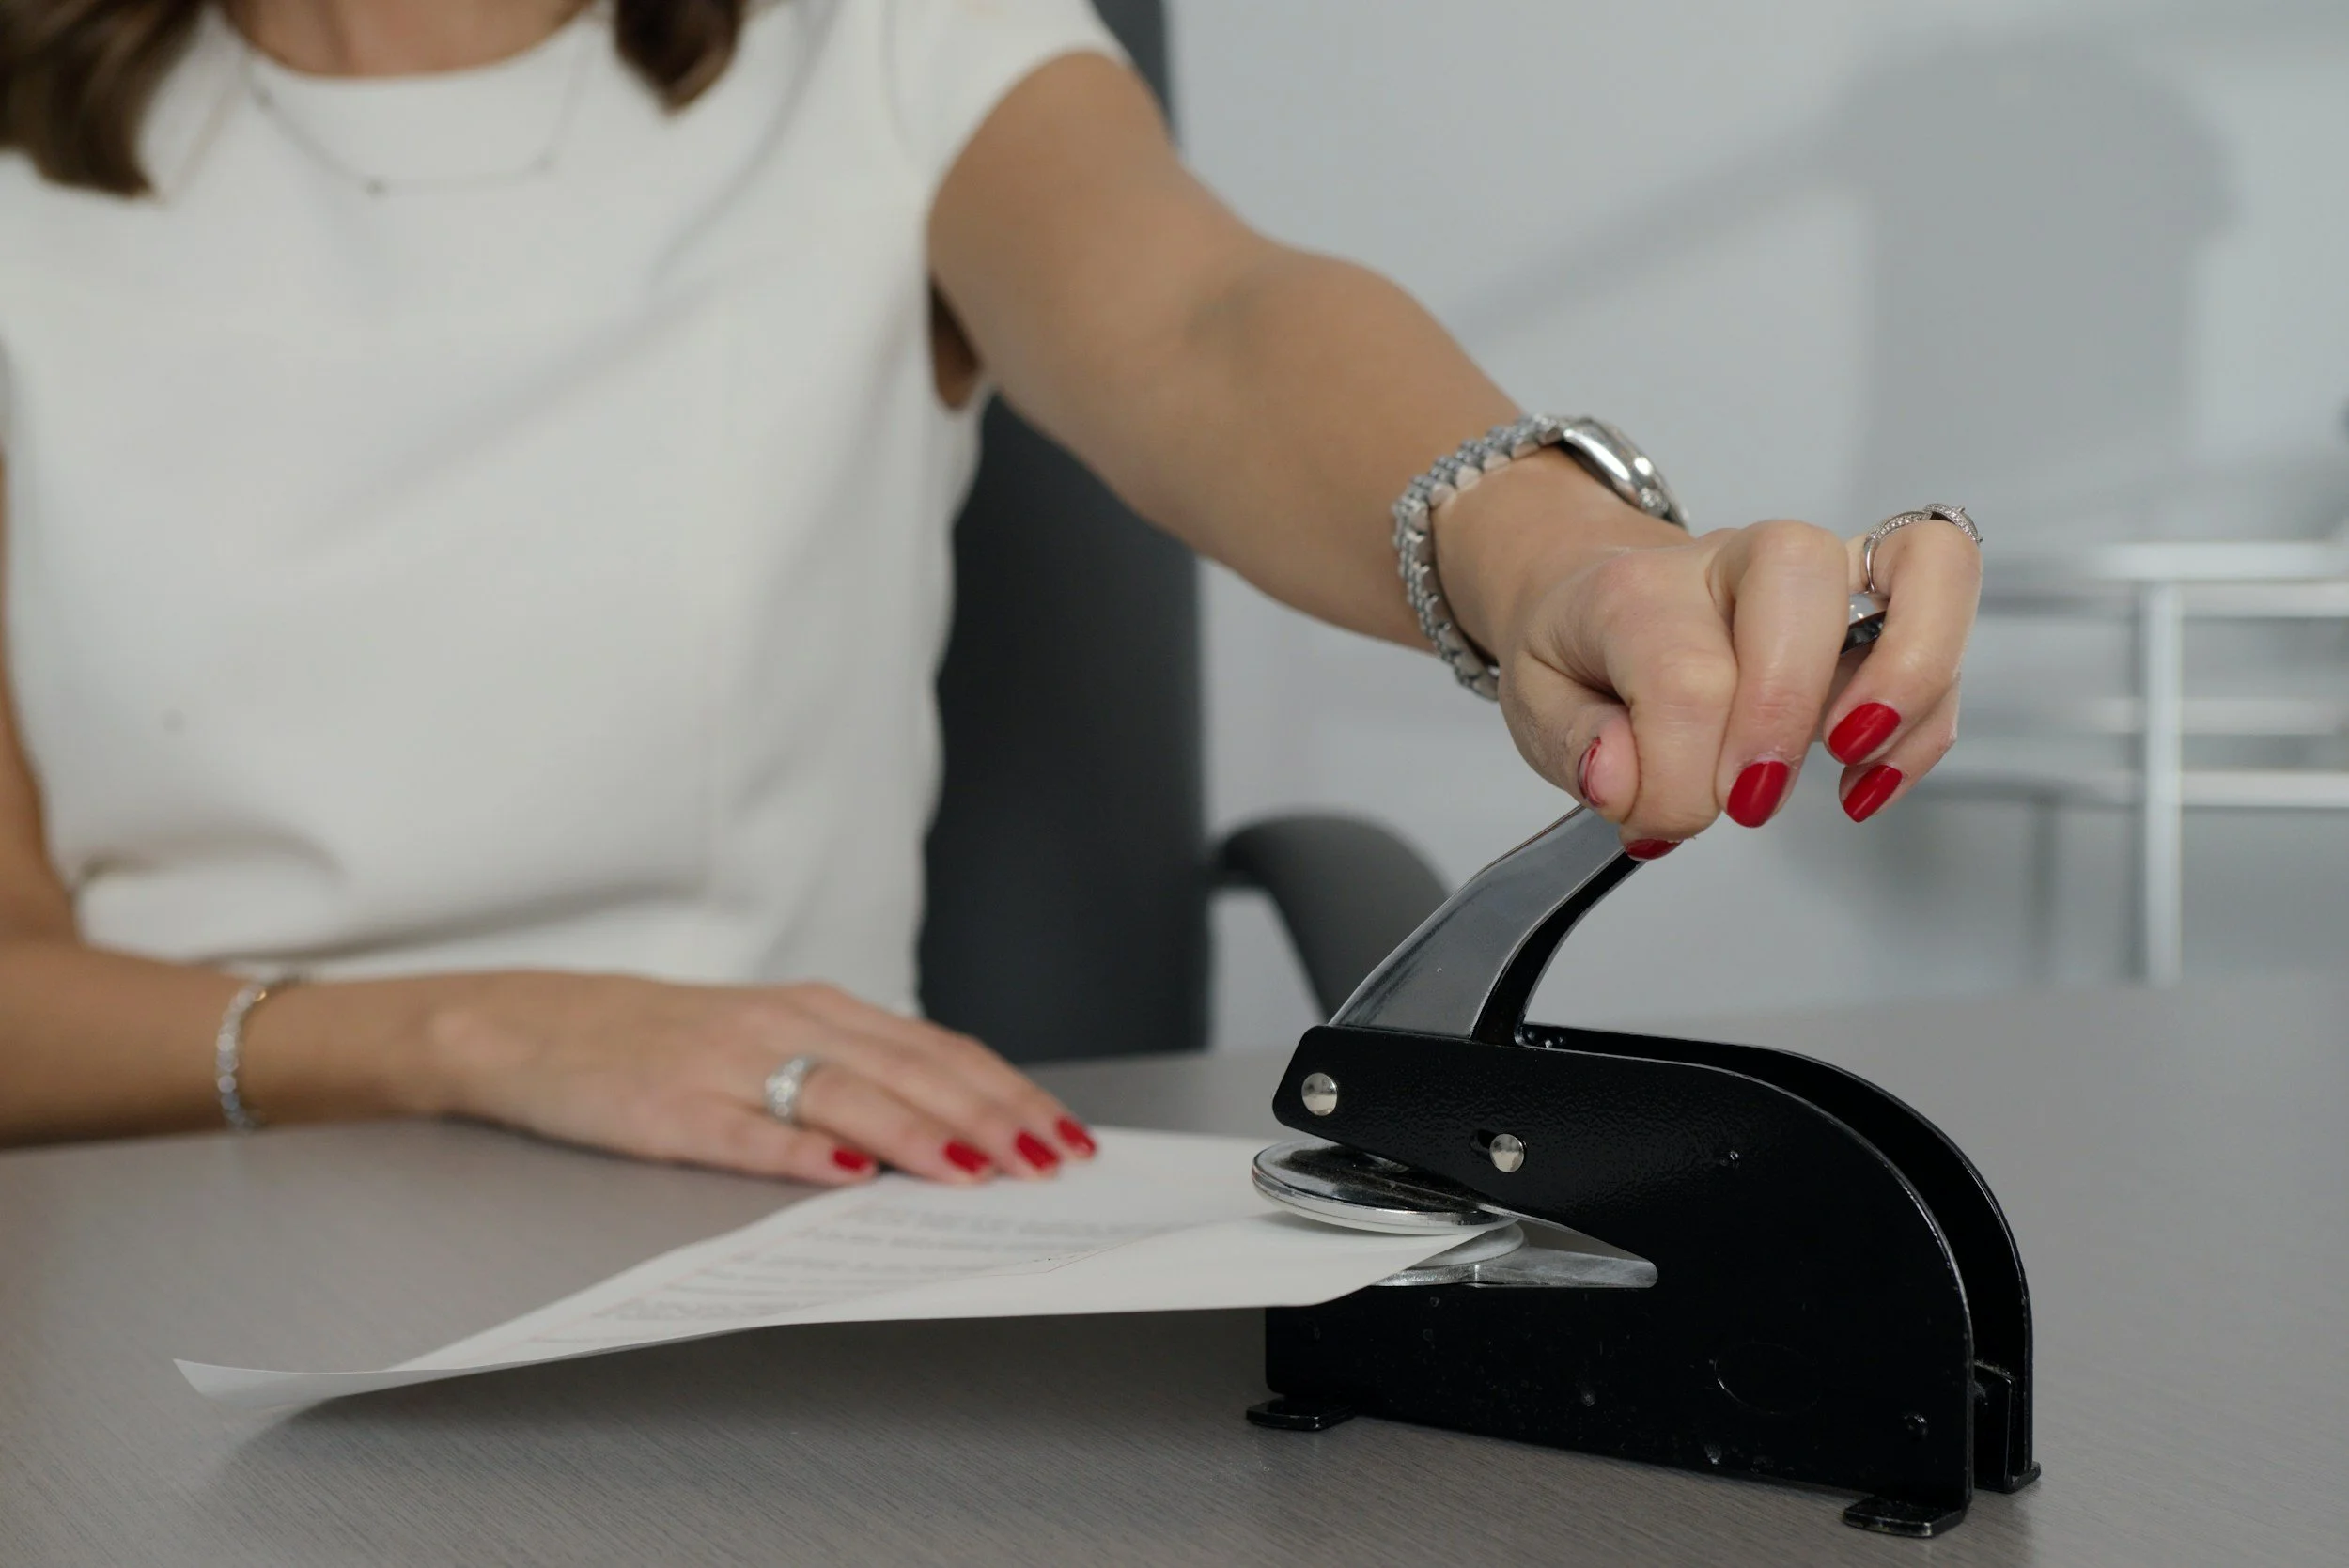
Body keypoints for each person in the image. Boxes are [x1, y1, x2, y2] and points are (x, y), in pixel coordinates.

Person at [0, 0, 1981, 1183]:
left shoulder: (879, 42)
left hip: (768, 1222)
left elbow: (1202, 318)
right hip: (155, 1220)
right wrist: (463, 1035)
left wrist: (1561, 554)